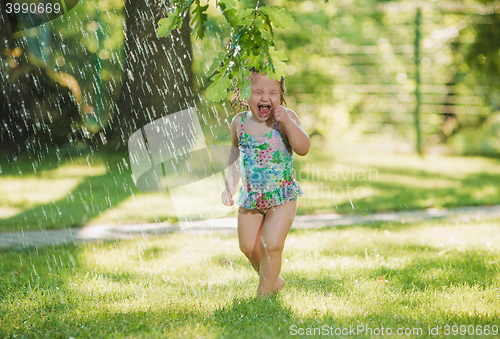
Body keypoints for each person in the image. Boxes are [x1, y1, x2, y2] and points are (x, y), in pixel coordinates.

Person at [221, 70, 310, 297]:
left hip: (283, 196)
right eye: (257, 92)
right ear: (244, 95)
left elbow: (303, 148)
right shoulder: (239, 122)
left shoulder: (285, 119)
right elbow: (234, 155)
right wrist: (230, 185)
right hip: (252, 196)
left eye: (272, 92)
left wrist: (289, 123)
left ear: (280, 96)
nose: (264, 97)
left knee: (271, 243)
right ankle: (273, 280)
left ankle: (264, 294)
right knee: (249, 247)